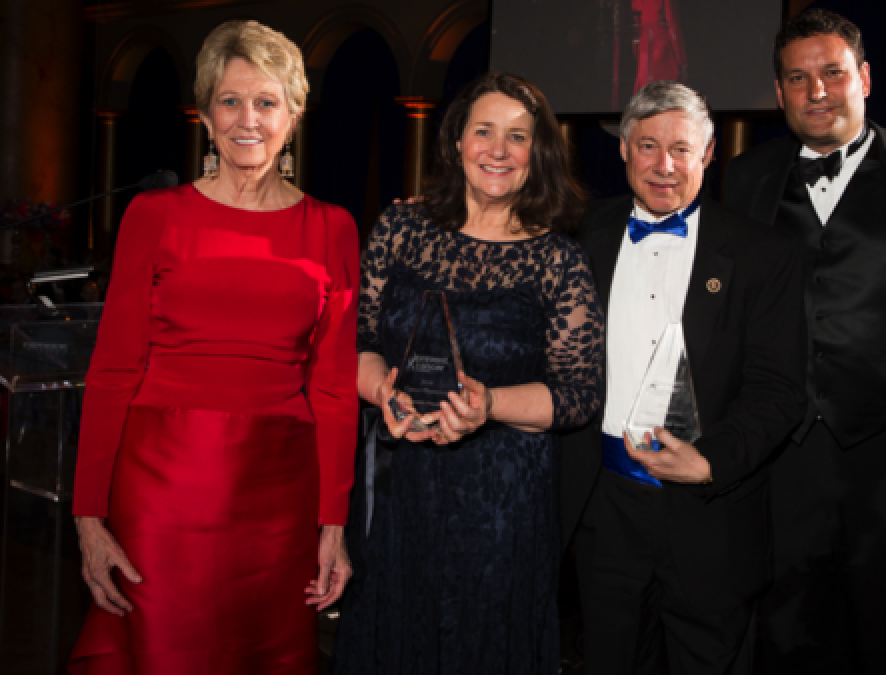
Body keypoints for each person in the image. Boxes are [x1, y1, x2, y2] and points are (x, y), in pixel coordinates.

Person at [68, 20, 360, 673]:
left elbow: (335, 388)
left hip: (281, 498)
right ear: (205, 114)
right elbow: (112, 369)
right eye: (229, 101)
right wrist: (88, 517)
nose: (246, 119)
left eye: (266, 102)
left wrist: (332, 523)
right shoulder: (155, 216)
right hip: (160, 492)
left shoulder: (333, 229)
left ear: (294, 113)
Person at [332, 72, 602, 675]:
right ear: (457, 142)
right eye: (484, 132)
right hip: (399, 484)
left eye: (518, 136)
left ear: (540, 154)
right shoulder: (400, 229)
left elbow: (580, 394)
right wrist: (383, 392)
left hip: (503, 502)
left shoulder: (559, 259)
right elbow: (356, 342)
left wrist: (489, 406)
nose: (498, 151)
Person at [721, 10, 886, 673]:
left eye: (831, 73)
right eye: (798, 78)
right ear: (779, 89)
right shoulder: (745, 178)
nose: (816, 91)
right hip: (781, 453)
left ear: (865, 78)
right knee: (787, 635)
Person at [561, 80, 805, 675]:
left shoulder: (764, 255)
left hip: (710, 515)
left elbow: (779, 390)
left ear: (710, 153)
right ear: (623, 148)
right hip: (603, 506)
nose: (664, 166)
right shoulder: (578, 237)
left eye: (681, 150)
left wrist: (711, 461)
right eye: (647, 146)